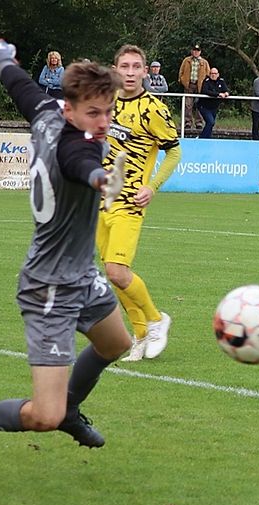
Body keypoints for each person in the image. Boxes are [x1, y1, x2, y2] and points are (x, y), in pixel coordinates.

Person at [0, 38, 132, 476]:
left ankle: (71, 410)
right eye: (93, 113)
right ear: (70, 110)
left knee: (116, 343)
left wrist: (2, 58)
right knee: (42, 417)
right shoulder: (76, 146)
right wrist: (105, 181)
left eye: (108, 112)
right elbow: (81, 163)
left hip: (81, 273)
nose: (102, 122)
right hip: (49, 287)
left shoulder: (47, 112)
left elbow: (22, 87)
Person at [100, 44, 182, 362]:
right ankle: (140, 334)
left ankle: (156, 319)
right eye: (125, 66)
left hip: (131, 201)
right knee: (115, 275)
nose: (131, 72)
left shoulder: (154, 109)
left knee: (117, 271)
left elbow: (174, 151)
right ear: (116, 69)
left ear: (145, 72)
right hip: (101, 201)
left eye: (137, 67)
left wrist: (152, 186)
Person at [178, 44, 209, 130]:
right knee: (188, 104)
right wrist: (182, 81)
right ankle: (188, 122)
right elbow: (181, 71)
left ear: (200, 52)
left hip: (200, 86)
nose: (196, 52)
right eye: (194, 50)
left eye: (197, 51)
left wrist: (205, 85)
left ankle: (199, 122)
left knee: (199, 104)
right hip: (189, 84)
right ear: (192, 51)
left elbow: (208, 74)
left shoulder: (204, 62)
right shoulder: (186, 60)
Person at [197, 67, 229, 139]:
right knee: (211, 122)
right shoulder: (206, 81)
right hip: (204, 106)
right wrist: (218, 94)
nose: (213, 75)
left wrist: (226, 93)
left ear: (218, 74)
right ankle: (201, 138)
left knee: (210, 125)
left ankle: (207, 139)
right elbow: (205, 91)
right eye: (211, 73)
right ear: (209, 74)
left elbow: (226, 90)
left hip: (214, 107)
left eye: (215, 73)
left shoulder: (221, 81)